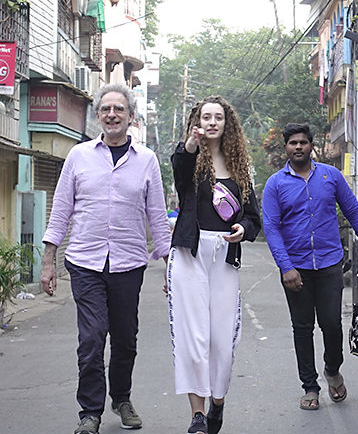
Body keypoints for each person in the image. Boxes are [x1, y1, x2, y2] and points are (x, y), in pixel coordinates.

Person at [40, 84, 172, 434]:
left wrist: (169, 266)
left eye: (119, 109)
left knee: (125, 338)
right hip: (85, 262)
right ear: (98, 115)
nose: (112, 115)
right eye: (106, 109)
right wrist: (49, 260)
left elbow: (157, 216)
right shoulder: (78, 156)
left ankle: (122, 398)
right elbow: (61, 209)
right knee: (92, 338)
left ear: (131, 117)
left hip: (128, 263)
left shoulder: (146, 160)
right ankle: (90, 412)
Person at [262, 123, 358, 411]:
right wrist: (286, 267)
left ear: (311, 145)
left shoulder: (330, 175)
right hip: (296, 267)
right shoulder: (275, 184)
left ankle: (332, 369)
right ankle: (310, 386)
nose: (298, 147)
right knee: (302, 328)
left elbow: (352, 210)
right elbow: (271, 228)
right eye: (293, 143)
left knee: (331, 323)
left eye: (303, 142)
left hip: (329, 263)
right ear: (286, 148)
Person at [168, 96, 260, 434]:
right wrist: (191, 145)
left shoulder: (239, 168)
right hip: (190, 254)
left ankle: (217, 402)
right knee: (193, 335)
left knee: (222, 340)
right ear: (197, 122)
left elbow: (253, 218)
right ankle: (197, 414)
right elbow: (180, 172)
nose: (211, 122)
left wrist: (243, 230)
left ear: (226, 123)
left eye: (217, 117)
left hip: (224, 256)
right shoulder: (189, 158)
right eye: (205, 117)